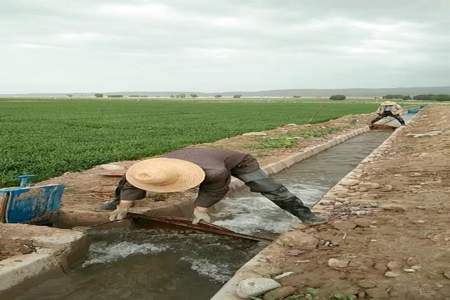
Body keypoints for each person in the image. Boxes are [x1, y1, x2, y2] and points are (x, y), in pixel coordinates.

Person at [98, 148, 325, 225]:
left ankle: (305, 215)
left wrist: (201, 209)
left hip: (238, 161)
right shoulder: (152, 166)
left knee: (266, 186)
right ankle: (114, 203)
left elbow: (216, 188)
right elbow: (133, 181)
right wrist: (124, 205)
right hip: (197, 158)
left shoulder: (214, 173)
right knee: (127, 183)